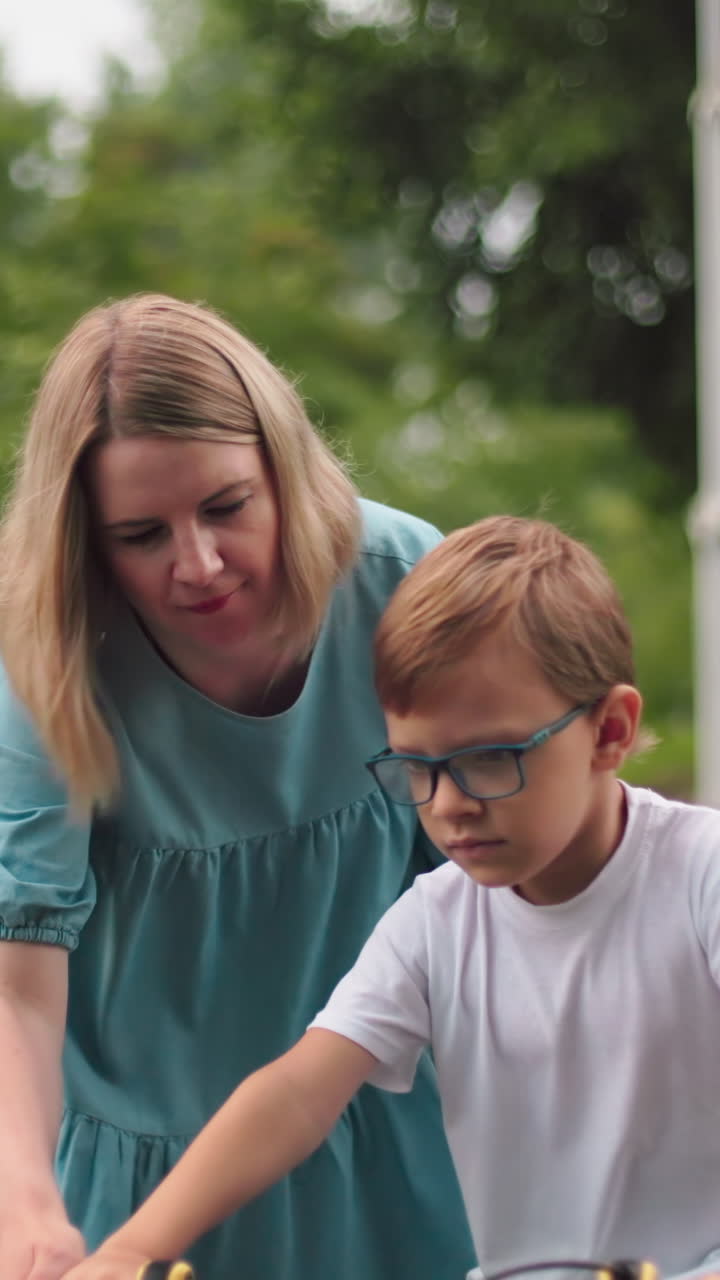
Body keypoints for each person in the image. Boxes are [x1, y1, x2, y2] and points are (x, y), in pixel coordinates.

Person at [58, 515, 720, 1280]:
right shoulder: (435, 922)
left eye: (488, 759)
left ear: (609, 730)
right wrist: (132, 1249)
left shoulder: (700, 876)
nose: (448, 805)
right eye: (417, 768)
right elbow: (299, 1093)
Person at [0, 293, 476, 1280]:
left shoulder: (402, 582)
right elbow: (20, 987)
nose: (199, 565)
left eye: (226, 506)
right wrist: (25, 1202)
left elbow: (498, 891)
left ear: (284, 467)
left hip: (395, 1153)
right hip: (140, 1186)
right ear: (84, 537)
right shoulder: (46, 655)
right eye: (140, 534)